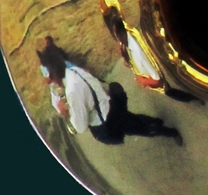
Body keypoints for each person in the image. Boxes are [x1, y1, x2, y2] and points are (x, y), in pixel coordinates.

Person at [37, 45, 183, 146]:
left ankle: (170, 132)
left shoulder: (72, 91)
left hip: (107, 119)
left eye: (48, 77)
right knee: (131, 119)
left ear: (54, 75)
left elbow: (80, 126)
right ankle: (156, 121)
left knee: (138, 128)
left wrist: (65, 113)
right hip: (110, 103)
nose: (48, 81)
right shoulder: (74, 71)